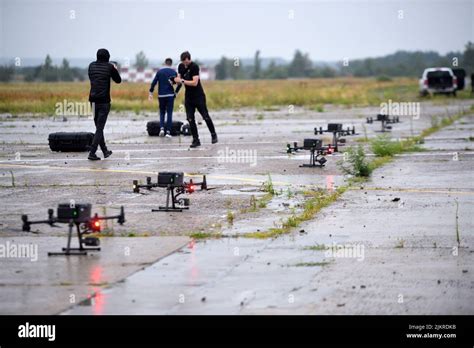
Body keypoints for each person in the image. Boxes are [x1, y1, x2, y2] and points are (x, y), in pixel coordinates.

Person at [175, 51, 217, 148]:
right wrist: (175, 81)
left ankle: (213, 134)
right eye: (183, 62)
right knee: (190, 119)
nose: (184, 64)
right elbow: (179, 81)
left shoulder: (194, 67)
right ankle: (196, 139)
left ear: (189, 59)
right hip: (188, 97)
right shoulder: (181, 67)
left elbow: (194, 83)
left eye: (185, 62)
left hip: (198, 96)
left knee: (205, 116)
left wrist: (181, 81)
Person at [87, 48, 121, 160]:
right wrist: (114, 69)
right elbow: (118, 80)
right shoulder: (109, 67)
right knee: (100, 128)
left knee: (98, 127)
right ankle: (92, 153)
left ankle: (105, 151)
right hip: (104, 101)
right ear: (108, 57)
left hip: (92, 101)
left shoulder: (91, 66)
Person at [149, 58, 177, 137]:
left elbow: (154, 83)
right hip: (170, 95)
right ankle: (168, 131)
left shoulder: (159, 72)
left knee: (162, 112)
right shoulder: (173, 72)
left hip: (161, 95)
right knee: (169, 113)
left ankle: (161, 129)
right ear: (171, 64)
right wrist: (176, 92)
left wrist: (151, 92)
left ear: (165, 63)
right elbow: (179, 83)